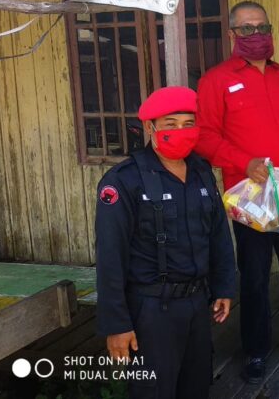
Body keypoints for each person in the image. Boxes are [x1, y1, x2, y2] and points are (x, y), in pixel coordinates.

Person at [195, 1, 279, 382]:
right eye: (247, 28)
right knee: (253, 275)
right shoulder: (216, 79)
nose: (256, 35)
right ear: (232, 34)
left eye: (262, 27)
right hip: (251, 195)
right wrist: (243, 161)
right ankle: (255, 351)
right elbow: (204, 136)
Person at [95, 86, 236, 399]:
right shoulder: (123, 181)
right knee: (154, 391)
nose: (181, 131)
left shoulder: (201, 172)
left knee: (196, 386)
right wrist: (116, 323)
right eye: (170, 124)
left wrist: (225, 286)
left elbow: (217, 234)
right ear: (150, 127)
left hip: (197, 304)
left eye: (188, 124)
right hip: (151, 310)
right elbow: (110, 257)